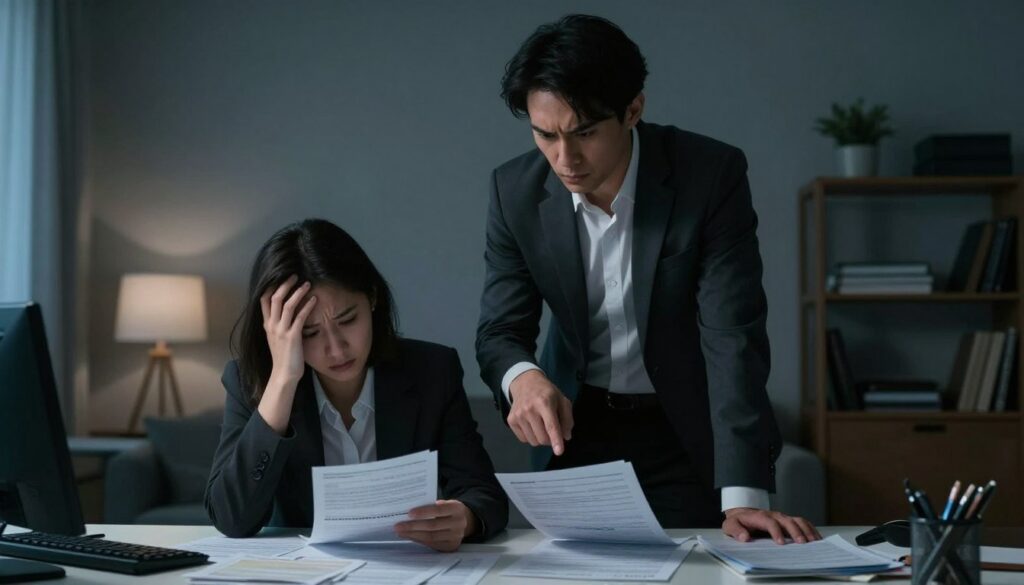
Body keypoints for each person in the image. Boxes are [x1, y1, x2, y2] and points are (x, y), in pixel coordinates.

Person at [476, 14, 820, 543]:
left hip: (684, 429)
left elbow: (732, 337)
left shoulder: (709, 177)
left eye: (585, 132)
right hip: (575, 429)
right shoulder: (514, 192)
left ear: (634, 108)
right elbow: (500, 330)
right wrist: (522, 377)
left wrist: (744, 495)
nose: (564, 159)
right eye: (545, 134)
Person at [207, 218, 507, 550]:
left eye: (348, 320)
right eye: (309, 333)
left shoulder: (432, 371)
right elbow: (231, 519)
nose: (336, 349)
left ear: (373, 298)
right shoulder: (251, 381)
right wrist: (282, 381)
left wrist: (464, 517)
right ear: (278, 331)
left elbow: (485, 496)